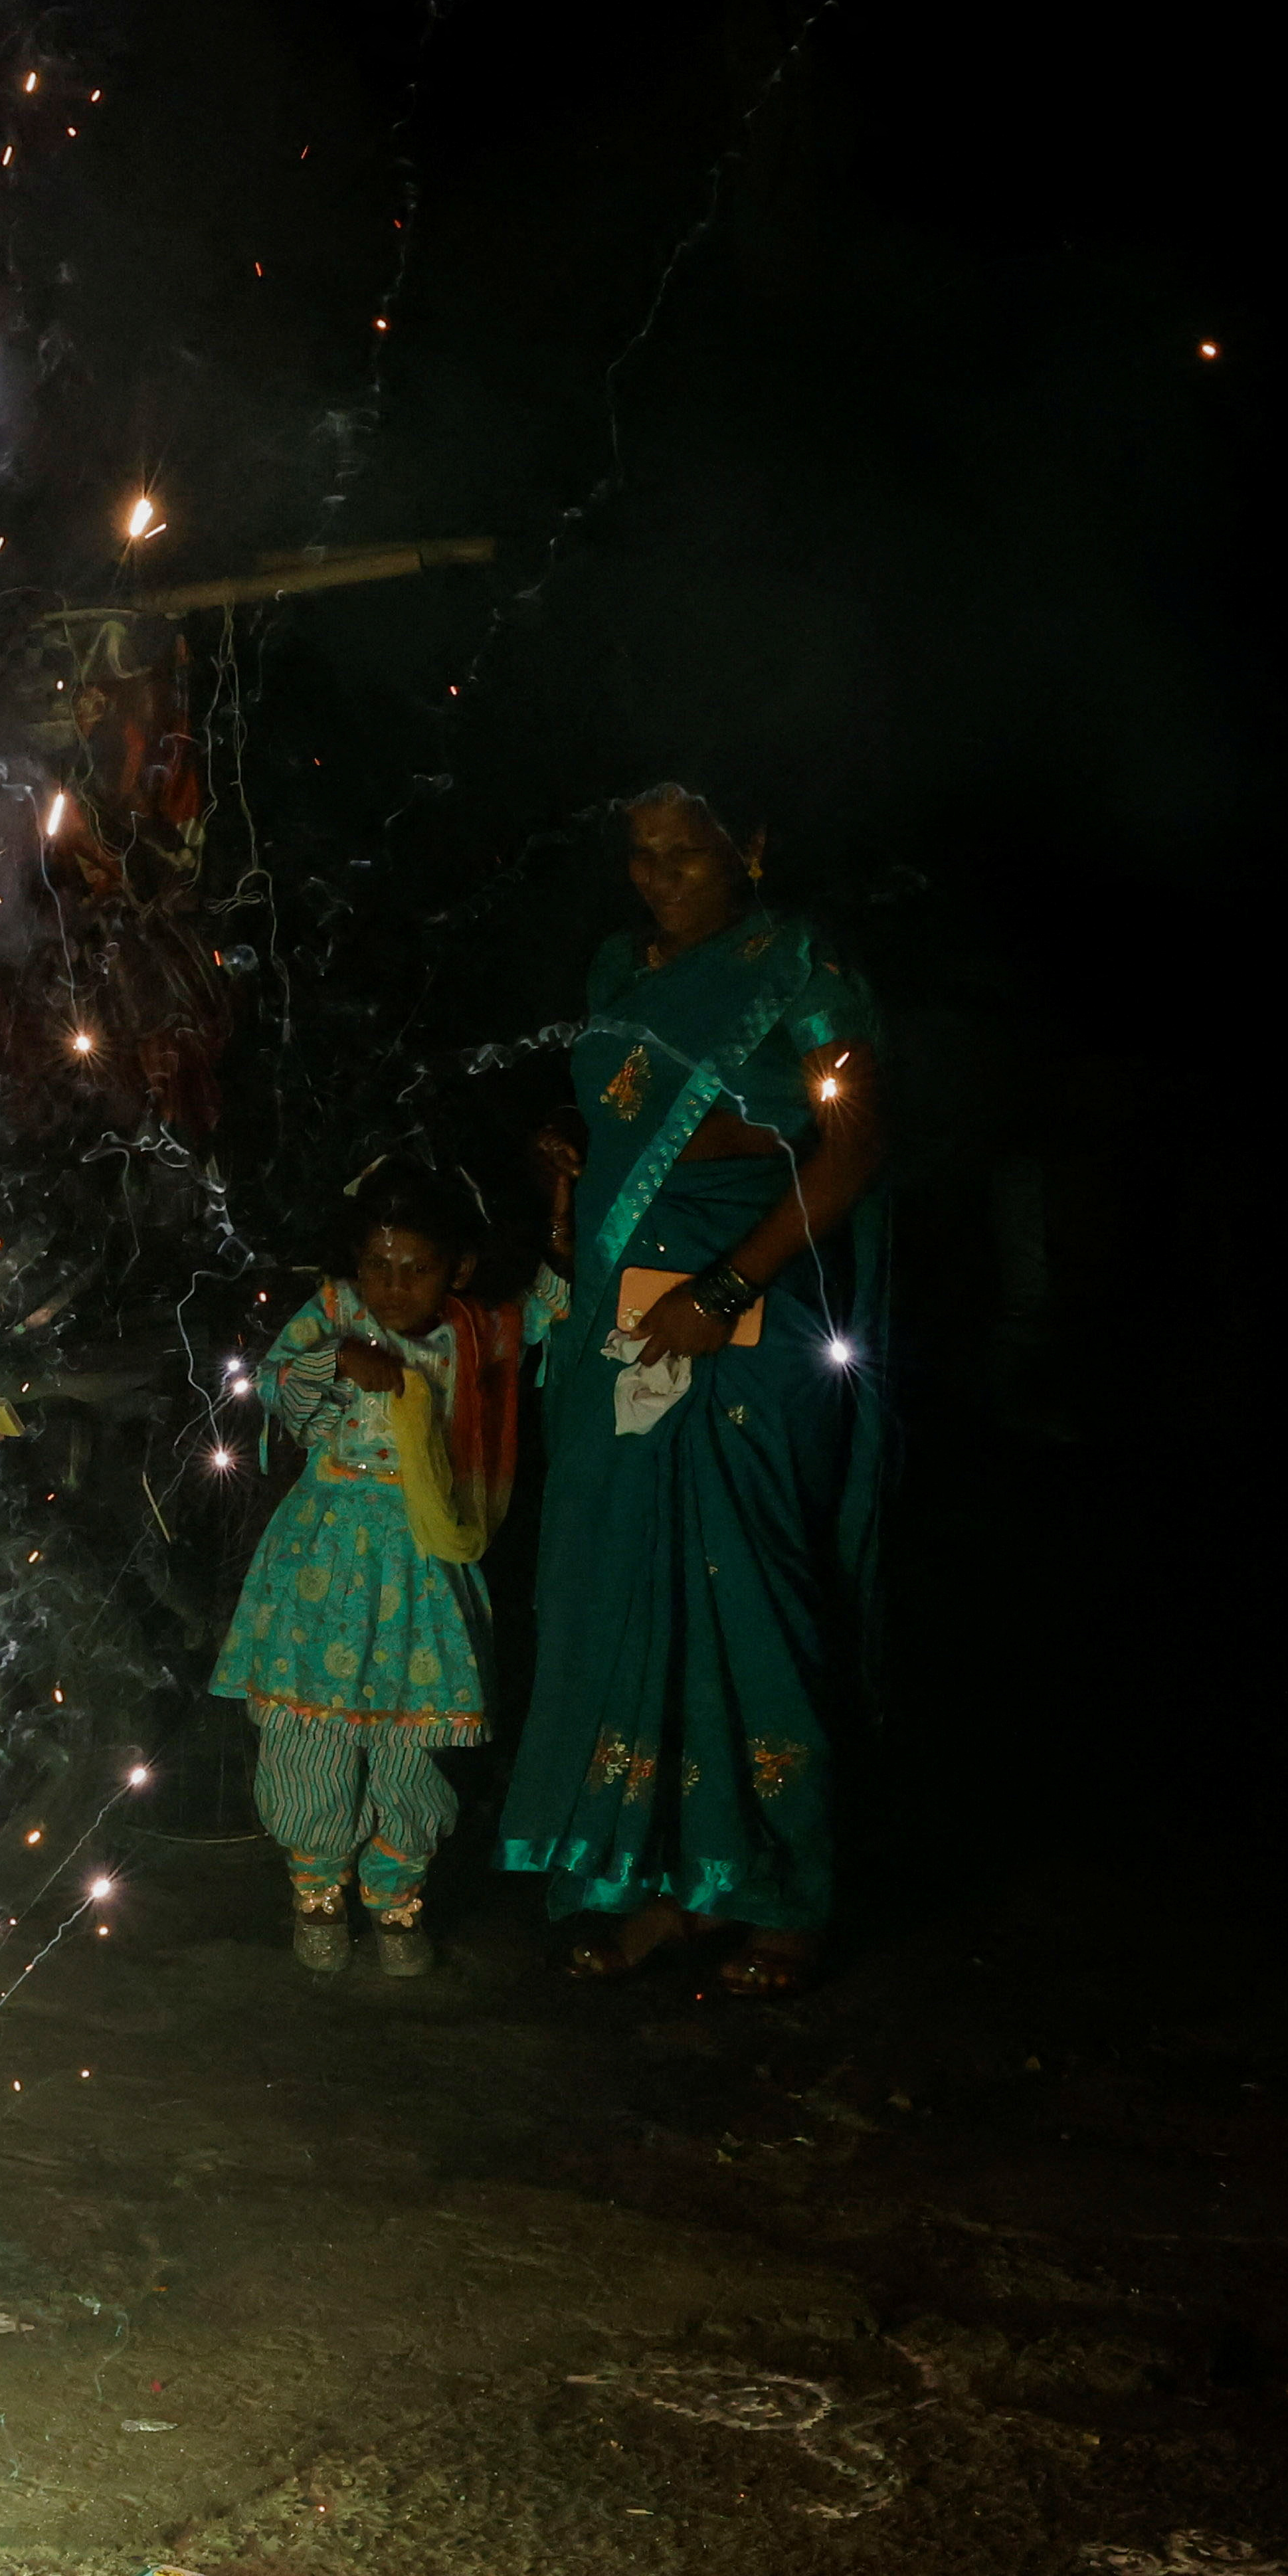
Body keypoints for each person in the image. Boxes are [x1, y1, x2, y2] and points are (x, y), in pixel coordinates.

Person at [507, 785, 894, 1993]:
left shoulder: (799, 965)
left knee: (753, 1594)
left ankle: (778, 1889)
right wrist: (575, 1146)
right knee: (621, 1582)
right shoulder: (620, 962)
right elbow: (641, 1113)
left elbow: (852, 1151)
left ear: (753, 847)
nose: (659, 876)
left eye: (687, 855)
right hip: (624, 1321)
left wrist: (722, 1292)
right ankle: (658, 1885)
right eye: (642, 855)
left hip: (750, 1321)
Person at [209, 1190, 563, 1981]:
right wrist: (333, 1356)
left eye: (417, 1268)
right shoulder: (335, 1312)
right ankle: (315, 1889)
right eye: (378, 1264)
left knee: (417, 1733)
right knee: (313, 1730)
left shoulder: (474, 1332)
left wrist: (562, 1196)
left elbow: (555, 1302)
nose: (393, 1285)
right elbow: (274, 1387)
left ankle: (396, 1890)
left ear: (456, 1270)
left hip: (425, 1554)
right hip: (324, 1551)